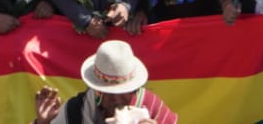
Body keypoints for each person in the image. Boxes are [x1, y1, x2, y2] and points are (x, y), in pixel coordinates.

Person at [31, 40, 178, 124]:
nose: (117, 100)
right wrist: (43, 122)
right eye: (110, 93)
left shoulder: (152, 107)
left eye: (124, 92)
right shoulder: (75, 111)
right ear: (97, 90)